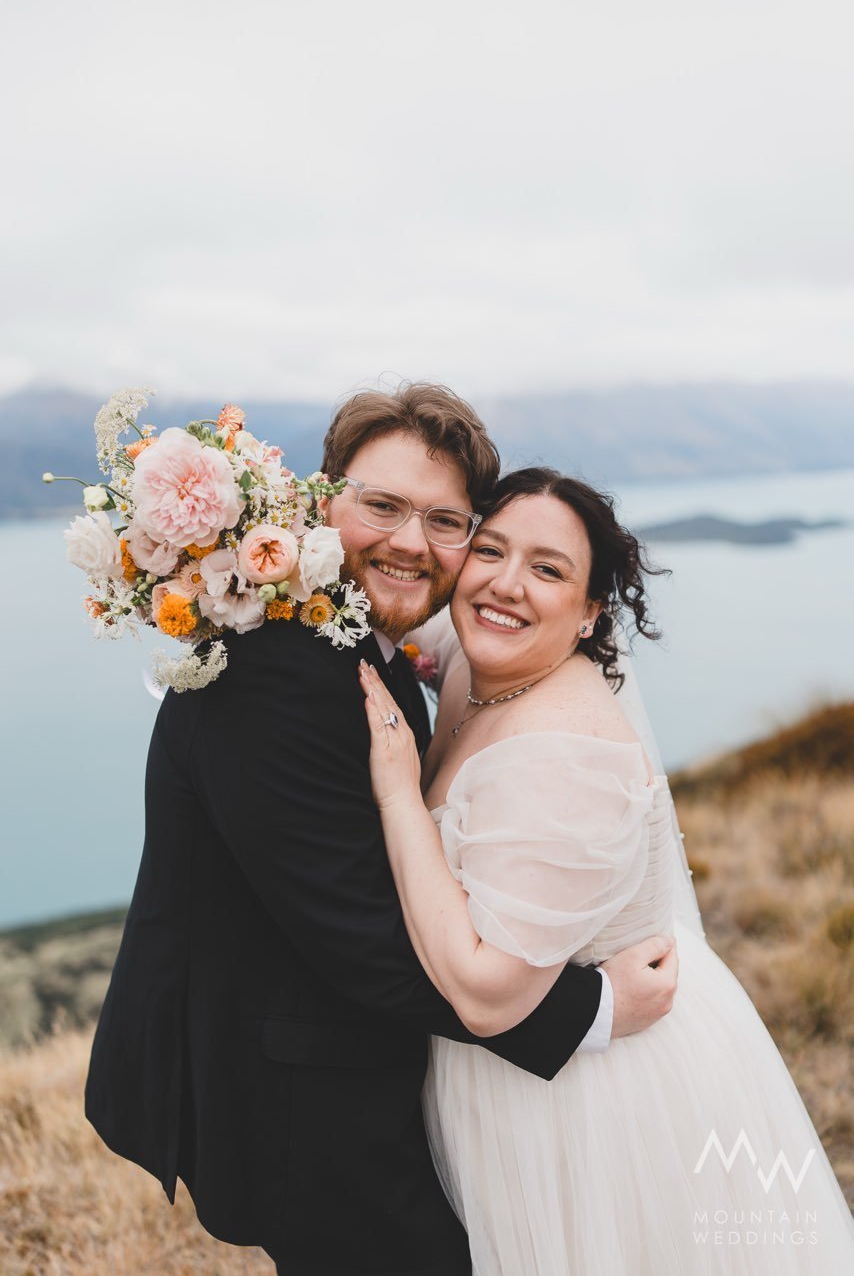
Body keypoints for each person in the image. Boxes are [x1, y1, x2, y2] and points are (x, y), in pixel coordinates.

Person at [85, 386, 677, 1276]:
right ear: (325, 504)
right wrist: (590, 1011)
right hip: (298, 1095)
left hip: (352, 1065)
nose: (411, 541)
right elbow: (364, 935)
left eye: (446, 522)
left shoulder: (346, 628)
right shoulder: (274, 674)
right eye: (383, 506)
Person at [359, 466, 854, 1276]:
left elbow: (489, 994)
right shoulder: (480, 660)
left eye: (550, 570)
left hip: (594, 1095)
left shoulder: (568, 754)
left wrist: (397, 795)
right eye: (490, 550)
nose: (507, 585)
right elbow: (421, 617)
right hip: (524, 1076)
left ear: (592, 614)